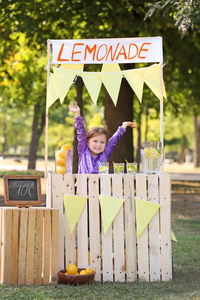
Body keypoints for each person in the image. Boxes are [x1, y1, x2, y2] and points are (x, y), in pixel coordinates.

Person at [69, 104, 136, 174]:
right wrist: (77, 113)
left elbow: (114, 140)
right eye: (95, 141)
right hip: (83, 184)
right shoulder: (83, 150)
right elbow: (81, 132)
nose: (98, 145)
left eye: (102, 142)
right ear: (87, 142)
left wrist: (124, 126)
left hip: (100, 184)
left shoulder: (105, 152)